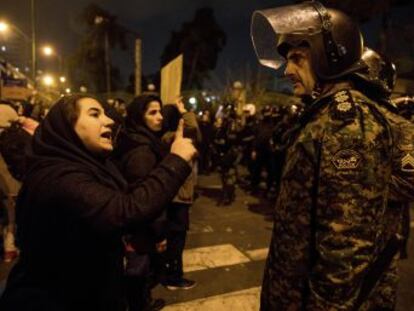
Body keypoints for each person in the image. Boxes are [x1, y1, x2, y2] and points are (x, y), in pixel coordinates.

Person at [251, 2, 400, 309]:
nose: (288, 70)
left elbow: (344, 250)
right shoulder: (323, 115)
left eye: (297, 59)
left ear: (329, 56)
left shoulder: (348, 123)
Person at [0, 94, 196, 311]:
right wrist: (176, 160)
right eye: (95, 114)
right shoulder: (59, 177)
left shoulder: (88, 165)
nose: (110, 120)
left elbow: (122, 199)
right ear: (67, 128)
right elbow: (125, 210)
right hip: (58, 300)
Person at [114, 94, 169, 310]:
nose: (160, 117)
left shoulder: (136, 138)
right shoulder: (142, 151)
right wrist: (160, 233)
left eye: (160, 111)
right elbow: (147, 197)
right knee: (138, 273)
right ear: (139, 116)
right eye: (152, 112)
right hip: (140, 228)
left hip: (133, 225)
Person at [160, 99, 201, 290]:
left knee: (173, 236)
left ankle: (170, 273)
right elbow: (194, 128)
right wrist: (184, 111)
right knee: (177, 238)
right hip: (179, 196)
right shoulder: (173, 138)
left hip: (173, 195)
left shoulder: (163, 137)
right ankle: (174, 277)